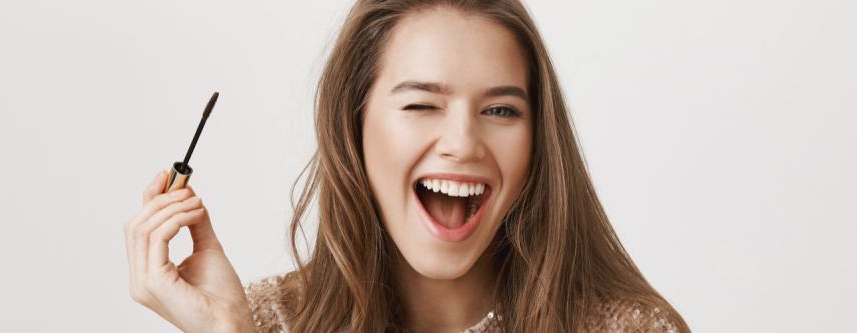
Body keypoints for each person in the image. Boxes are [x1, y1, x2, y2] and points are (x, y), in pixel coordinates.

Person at [123, 0, 690, 331]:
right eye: (421, 105)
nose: (463, 143)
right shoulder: (267, 323)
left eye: (500, 109)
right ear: (355, 126)